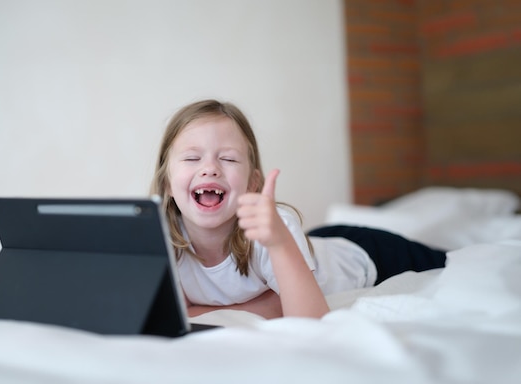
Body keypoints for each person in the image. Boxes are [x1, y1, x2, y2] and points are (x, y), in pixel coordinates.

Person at [150, 99, 446, 320]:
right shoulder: (160, 239)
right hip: (312, 245)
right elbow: (181, 313)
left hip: (366, 254)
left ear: (253, 183)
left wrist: (278, 242)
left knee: (452, 262)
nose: (210, 169)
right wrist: (266, 304)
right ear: (166, 183)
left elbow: (308, 319)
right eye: (192, 159)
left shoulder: (275, 229)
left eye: (227, 159)